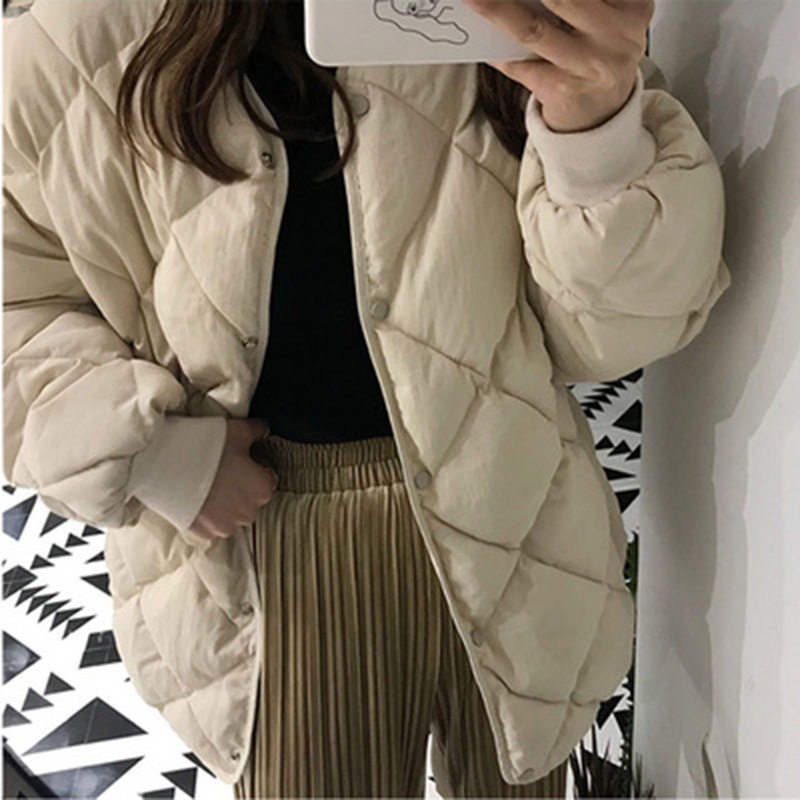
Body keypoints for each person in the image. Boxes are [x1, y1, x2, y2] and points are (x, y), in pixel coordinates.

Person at [2, 0, 731, 796]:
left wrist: (596, 135)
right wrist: (153, 456)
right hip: (262, 535)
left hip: (512, 498)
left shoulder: (511, 17)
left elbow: (603, 332)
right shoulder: (74, 45)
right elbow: (15, 299)